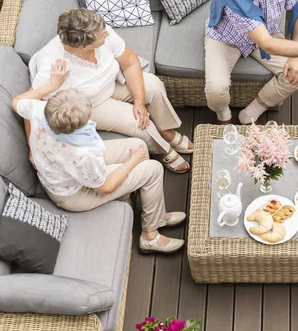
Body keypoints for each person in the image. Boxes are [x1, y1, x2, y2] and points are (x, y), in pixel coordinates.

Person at [12, 62, 185, 253]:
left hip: (62, 169)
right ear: (76, 128)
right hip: (72, 194)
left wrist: (51, 86)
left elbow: (17, 101)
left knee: (139, 145)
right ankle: (150, 237)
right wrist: (131, 163)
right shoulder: (82, 154)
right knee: (153, 169)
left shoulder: (41, 111)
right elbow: (104, 188)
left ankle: (157, 216)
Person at [29, 8, 192, 174]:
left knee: (154, 85)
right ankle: (162, 150)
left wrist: (139, 101)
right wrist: (32, 146)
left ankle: (166, 131)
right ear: (84, 46)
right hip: (91, 104)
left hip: (112, 82)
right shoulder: (51, 66)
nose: (107, 34)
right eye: (102, 36)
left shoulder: (99, 29)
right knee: (139, 122)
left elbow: (130, 63)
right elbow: (31, 106)